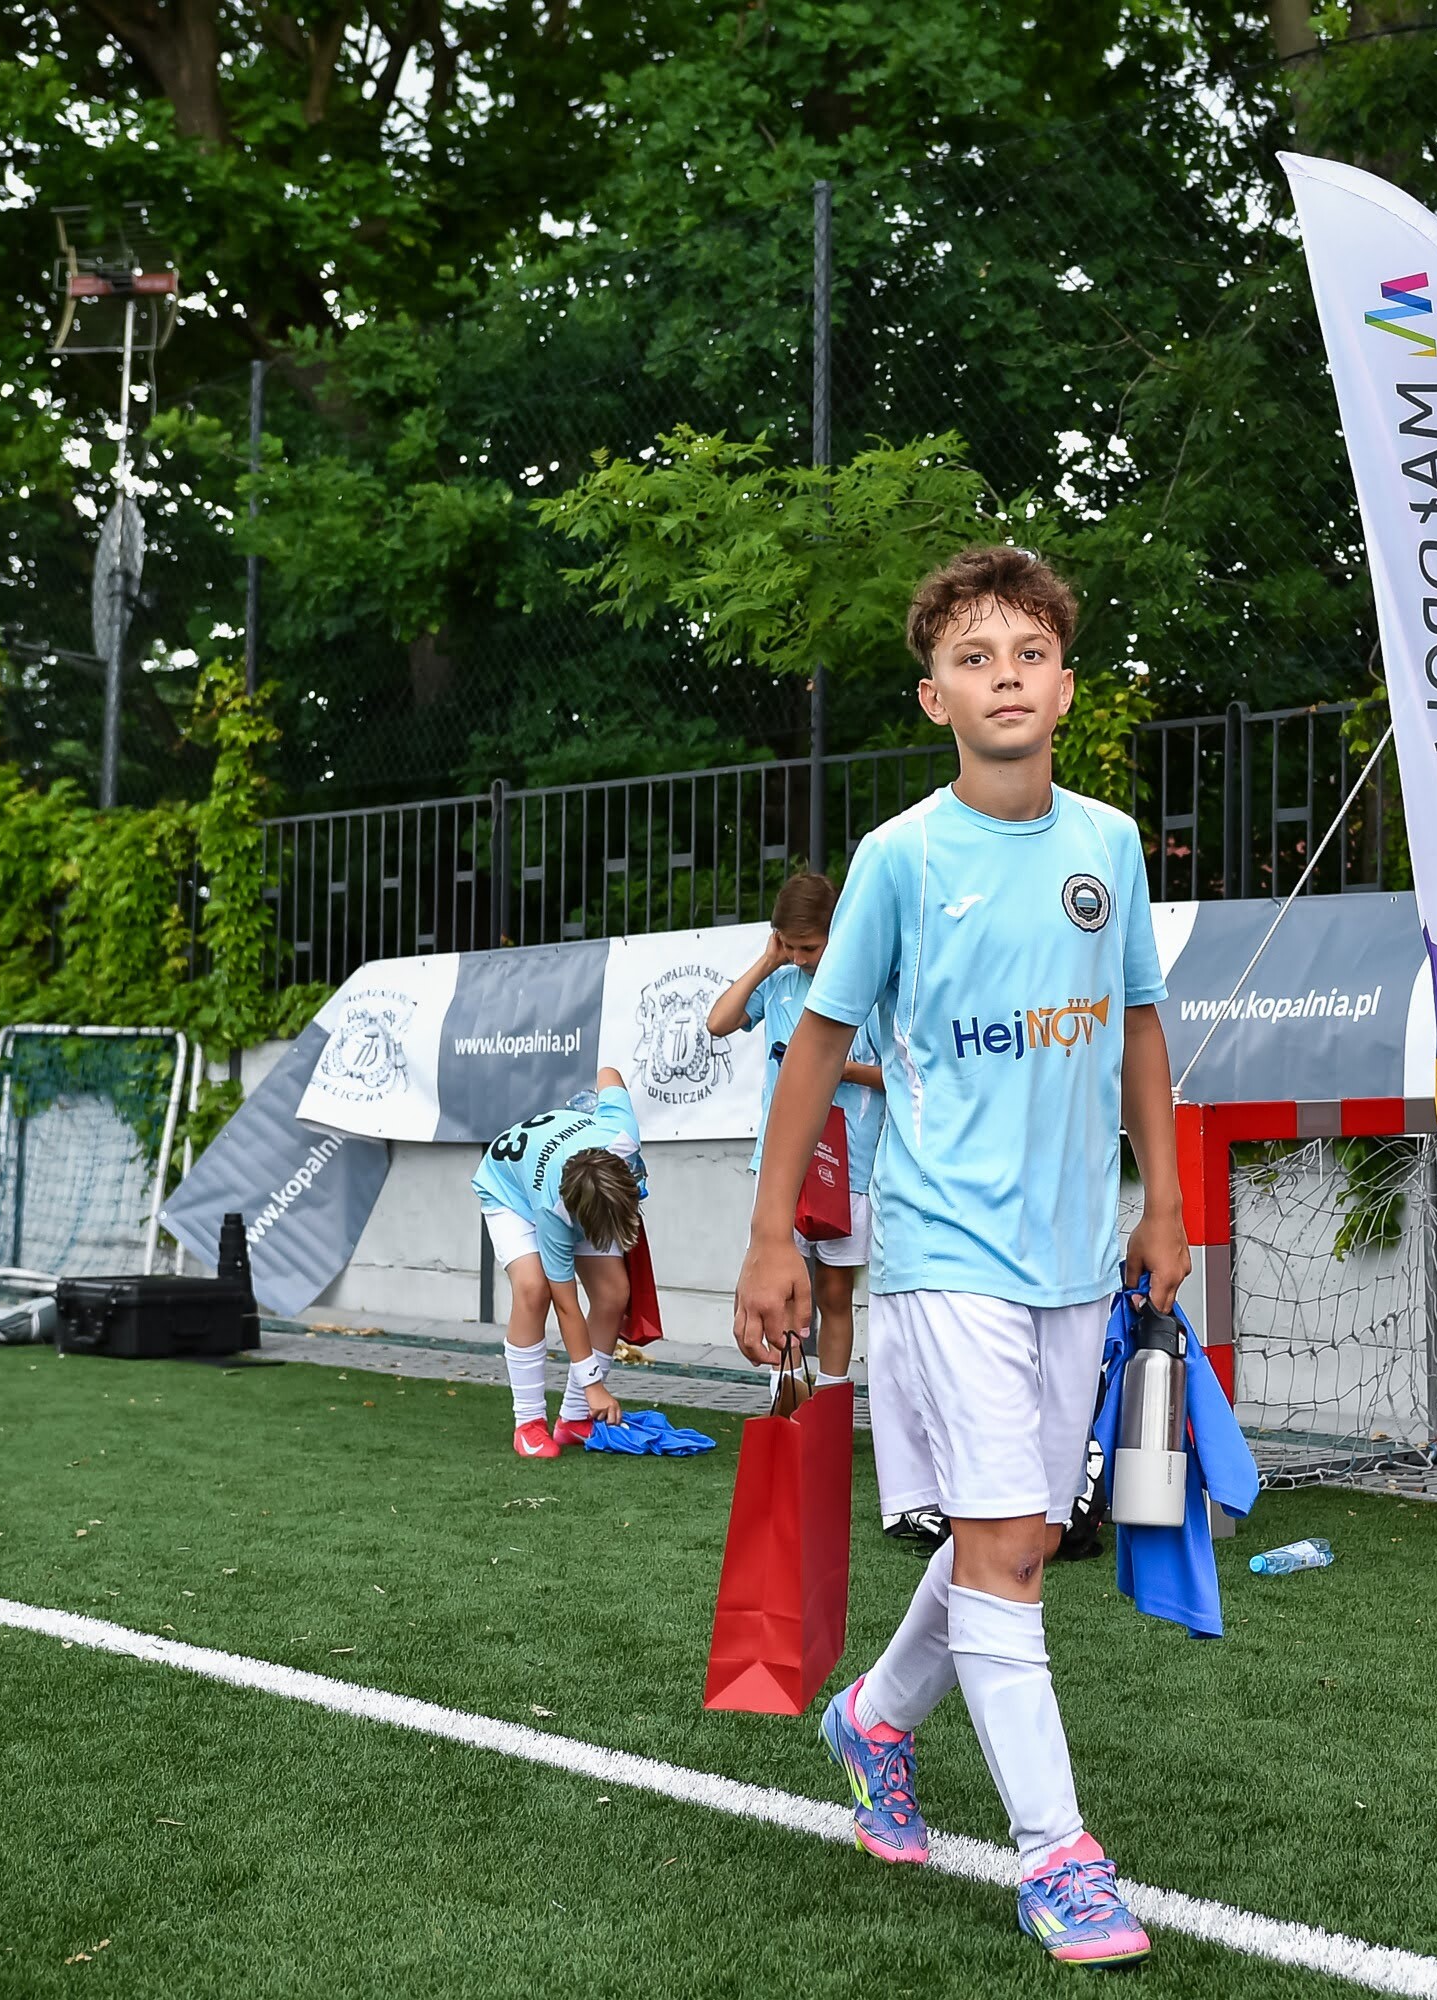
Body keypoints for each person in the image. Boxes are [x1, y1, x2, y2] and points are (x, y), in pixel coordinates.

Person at [733, 543, 1186, 1969]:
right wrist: (771, 1236)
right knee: (1004, 1550)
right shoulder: (901, 859)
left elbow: (1137, 1027)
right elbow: (818, 1044)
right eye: (975, 659)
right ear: (934, 696)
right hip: (942, 1252)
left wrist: (1164, 1203)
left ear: (1066, 686)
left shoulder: (1109, 846)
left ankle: (873, 1719)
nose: (1006, 678)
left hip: (1074, 1257)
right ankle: (1059, 1858)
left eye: (1029, 654)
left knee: (1020, 1536)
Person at [706, 871, 887, 1396]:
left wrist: (840, 1070)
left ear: (838, 934)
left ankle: (830, 1400)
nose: (800, 957)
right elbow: (718, 1022)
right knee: (779, 1287)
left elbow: (897, 1076)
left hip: (848, 1167)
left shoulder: (868, 995)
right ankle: (786, 1396)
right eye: (789, 945)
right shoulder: (780, 984)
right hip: (781, 1166)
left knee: (833, 1293)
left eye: (809, 947)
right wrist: (769, 961)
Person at [473, 1067, 646, 1458]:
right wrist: (594, 1384)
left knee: (613, 1292)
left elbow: (608, 1073)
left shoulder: (622, 1134)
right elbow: (566, 1305)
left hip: (575, 1178)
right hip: (509, 1189)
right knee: (534, 1290)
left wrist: (596, 1102)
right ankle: (529, 1423)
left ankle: (575, 1418)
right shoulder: (552, 1211)